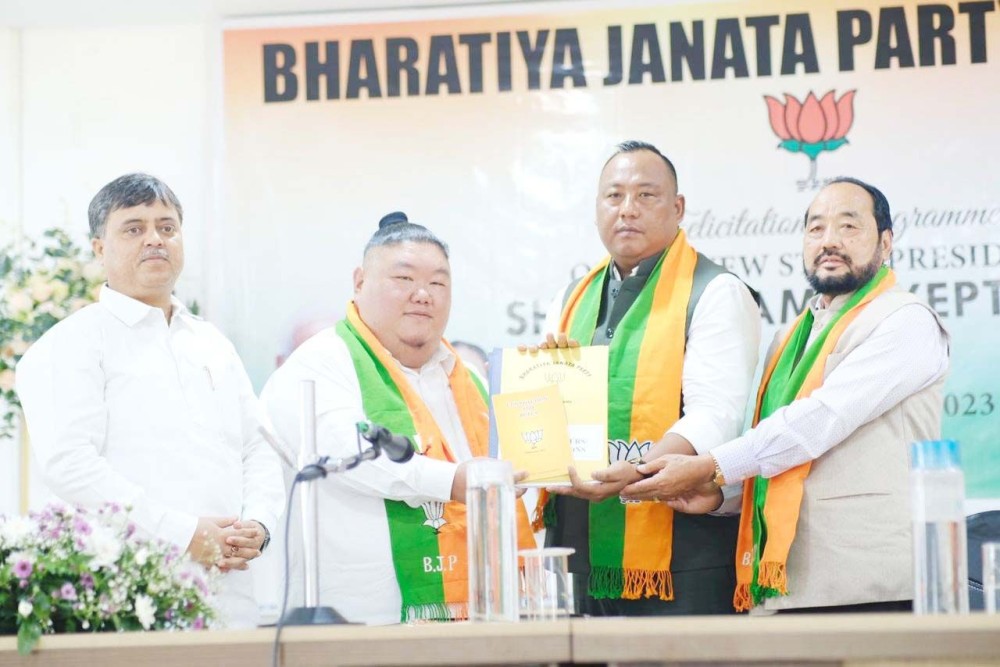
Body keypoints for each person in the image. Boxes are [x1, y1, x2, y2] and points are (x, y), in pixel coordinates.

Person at [611, 177, 950, 613]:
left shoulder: (906, 321)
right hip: (785, 586)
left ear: (886, 243)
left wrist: (710, 466)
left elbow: (819, 421)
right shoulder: (792, 336)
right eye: (815, 228)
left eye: (849, 227)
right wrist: (721, 496)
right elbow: (783, 459)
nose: (829, 241)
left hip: (873, 589)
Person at [16, 173, 285, 627]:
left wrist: (258, 524)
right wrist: (181, 535)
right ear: (100, 248)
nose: (155, 240)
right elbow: (71, 465)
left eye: (167, 227)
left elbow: (258, 447)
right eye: (134, 228)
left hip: (232, 592)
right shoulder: (70, 345)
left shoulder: (212, 342)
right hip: (132, 600)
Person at [261, 211, 535, 625]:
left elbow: (518, 471)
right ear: (359, 282)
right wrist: (457, 482)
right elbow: (350, 453)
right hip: (362, 623)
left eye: (438, 282)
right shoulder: (319, 365)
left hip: (482, 616)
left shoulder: (470, 378)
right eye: (404, 279)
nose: (423, 294)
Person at [538, 140, 761, 615]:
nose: (627, 210)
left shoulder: (716, 291)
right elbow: (547, 419)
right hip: (580, 550)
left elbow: (718, 412)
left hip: (680, 557)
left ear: (678, 208)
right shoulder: (571, 298)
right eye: (614, 196)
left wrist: (637, 475)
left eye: (646, 195)